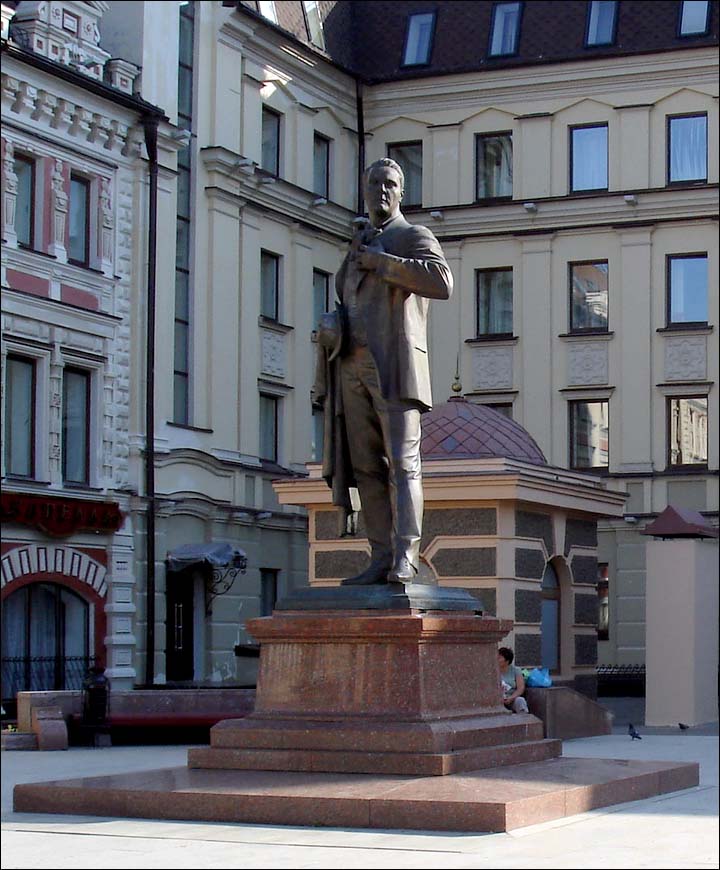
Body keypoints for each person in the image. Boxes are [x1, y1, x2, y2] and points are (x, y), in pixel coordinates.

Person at [316, 157, 453, 585]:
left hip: (394, 366)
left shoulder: (412, 236)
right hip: (351, 363)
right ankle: (379, 555)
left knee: (403, 463)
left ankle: (406, 555)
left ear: (401, 192)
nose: (381, 191)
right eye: (374, 183)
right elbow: (348, 298)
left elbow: (441, 281)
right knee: (366, 468)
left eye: (389, 184)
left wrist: (383, 264)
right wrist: (330, 324)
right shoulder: (356, 246)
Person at [498, 646, 529, 713]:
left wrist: (511, 698)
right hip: (497, 699)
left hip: (511, 698)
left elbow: (520, 688)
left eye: (500, 657)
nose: (497, 659)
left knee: (520, 701)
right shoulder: (492, 671)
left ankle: (524, 719)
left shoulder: (516, 670)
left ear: (507, 661)